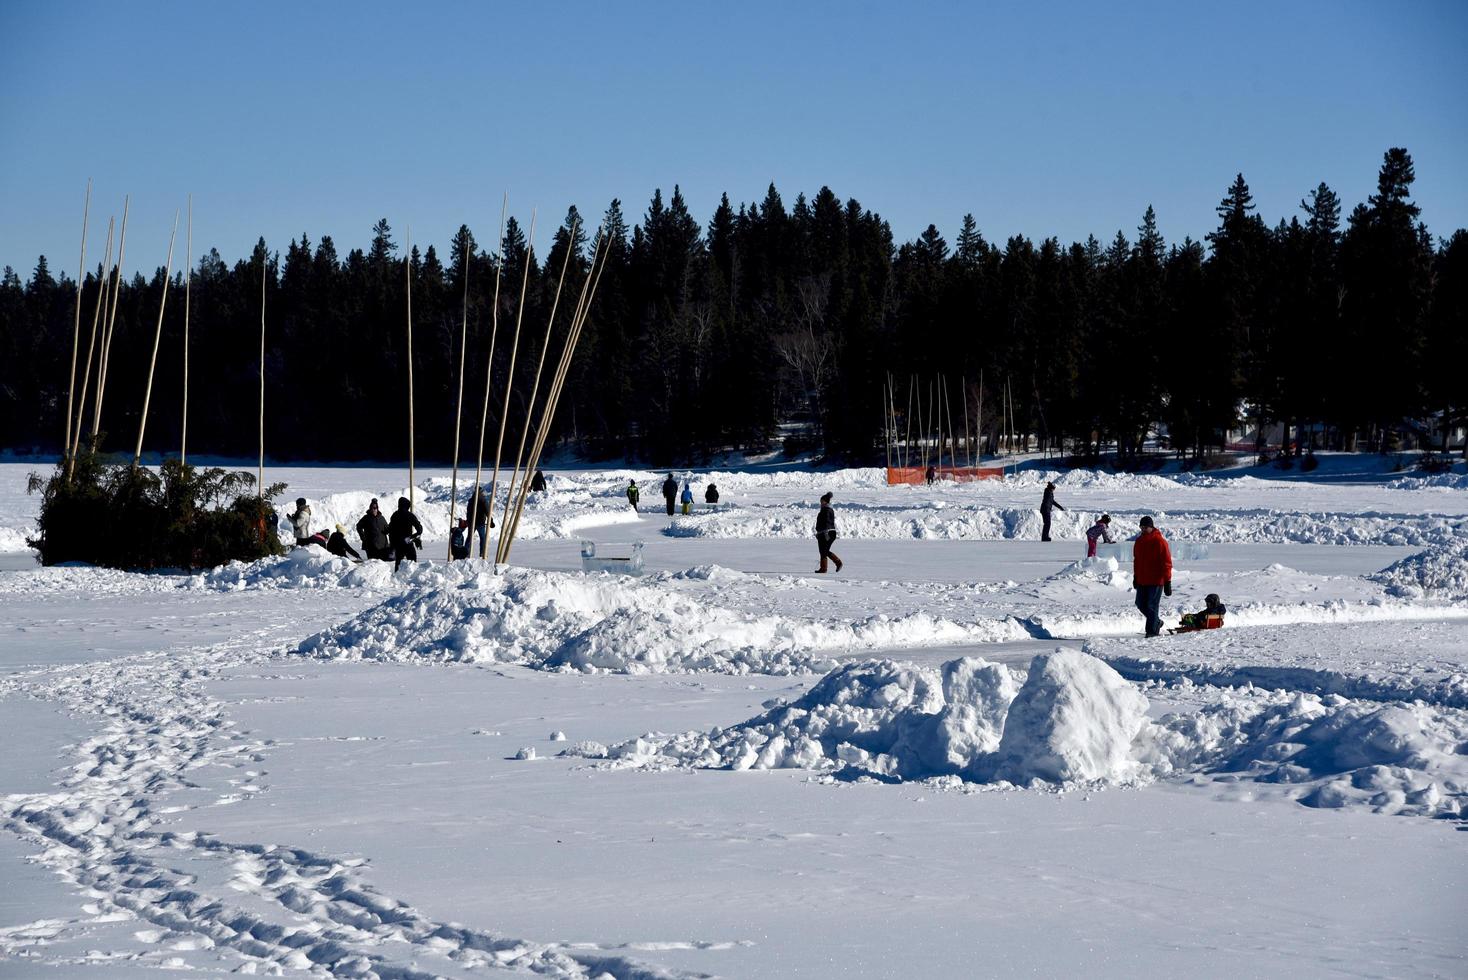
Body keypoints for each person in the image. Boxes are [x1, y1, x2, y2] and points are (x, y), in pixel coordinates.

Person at [1132, 515, 1173, 638]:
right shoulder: (1139, 542)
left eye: (1145, 527)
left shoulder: (1160, 542)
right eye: (1141, 527)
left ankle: (1152, 632)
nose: (1143, 529)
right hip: (1142, 580)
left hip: (1156, 581)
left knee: (1151, 606)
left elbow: (1167, 563)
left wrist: (1167, 581)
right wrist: (1135, 577)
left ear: (1151, 527)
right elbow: (1137, 561)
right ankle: (1156, 622)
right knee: (1140, 604)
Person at [388, 496, 423, 572]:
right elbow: (419, 529)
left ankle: (396, 579)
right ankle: (413, 577)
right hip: (407, 542)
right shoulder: (409, 515)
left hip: (397, 544)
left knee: (398, 564)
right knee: (412, 563)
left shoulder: (394, 515)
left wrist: (392, 545)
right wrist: (414, 536)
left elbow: (390, 530)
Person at [814, 491, 843, 573]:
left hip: (828, 533)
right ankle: (823, 568)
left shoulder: (827, 510)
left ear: (825, 501)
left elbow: (827, 522)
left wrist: (826, 532)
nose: (821, 503)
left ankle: (838, 563)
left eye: (822, 501)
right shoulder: (825, 509)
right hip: (823, 533)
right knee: (823, 551)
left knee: (824, 551)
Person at [465, 484, 492, 557]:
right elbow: (487, 511)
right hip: (480, 523)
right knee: (483, 538)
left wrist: (468, 520)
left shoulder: (471, 500)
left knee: (469, 538)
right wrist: (491, 520)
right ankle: (482, 553)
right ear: (480, 492)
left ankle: (466, 553)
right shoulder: (483, 500)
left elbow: (468, 512)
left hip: (472, 522)